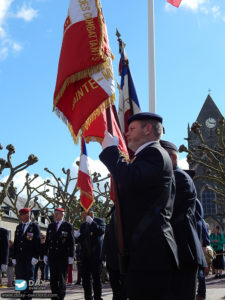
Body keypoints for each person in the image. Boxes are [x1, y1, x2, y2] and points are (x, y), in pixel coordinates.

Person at [99, 112, 179, 300]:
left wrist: (111, 151)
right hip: (144, 253)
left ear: (148, 129)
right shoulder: (147, 156)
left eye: (132, 129)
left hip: (151, 253)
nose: (126, 133)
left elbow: (129, 178)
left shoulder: (155, 154)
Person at [160, 140, 207, 300]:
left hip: (183, 251)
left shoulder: (180, 178)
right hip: (176, 252)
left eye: (161, 156)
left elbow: (166, 210)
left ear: (173, 158)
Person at [44, 208, 74, 300]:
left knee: (61, 279)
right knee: (53, 279)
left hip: (62, 256)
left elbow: (71, 241)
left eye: (57, 214)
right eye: (55, 214)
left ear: (62, 215)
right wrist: (45, 254)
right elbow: (47, 241)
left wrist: (71, 255)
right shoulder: (51, 226)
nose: (55, 215)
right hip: (52, 256)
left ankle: (61, 297)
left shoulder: (67, 226)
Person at [76, 208, 105, 300]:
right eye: (83, 214)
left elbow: (101, 231)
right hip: (85, 257)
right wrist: (77, 237)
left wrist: (92, 223)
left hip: (96, 256)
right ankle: (88, 298)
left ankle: (97, 298)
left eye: (84, 213)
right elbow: (82, 240)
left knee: (96, 280)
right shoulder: (83, 225)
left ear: (90, 213)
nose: (83, 216)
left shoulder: (99, 221)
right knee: (85, 281)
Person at [12, 207, 40, 299]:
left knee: (29, 279)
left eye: (21, 214)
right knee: (20, 279)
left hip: (30, 258)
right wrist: (14, 257)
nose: (20, 216)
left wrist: (36, 256)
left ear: (27, 215)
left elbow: (37, 242)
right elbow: (16, 243)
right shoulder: (19, 227)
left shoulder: (34, 227)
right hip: (20, 258)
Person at [103, 206, 127, 300]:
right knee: (116, 291)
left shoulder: (126, 225)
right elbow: (106, 243)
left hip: (124, 263)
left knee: (124, 291)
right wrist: (104, 258)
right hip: (112, 263)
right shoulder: (109, 227)